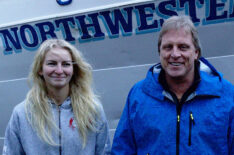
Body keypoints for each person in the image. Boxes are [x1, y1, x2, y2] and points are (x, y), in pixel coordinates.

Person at [111, 15, 234, 155]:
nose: (175, 54)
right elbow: (122, 149)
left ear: (196, 53)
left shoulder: (226, 95)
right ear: (160, 52)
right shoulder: (138, 95)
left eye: (183, 47)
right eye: (168, 47)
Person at [3, 39, 111, 155]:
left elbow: (104, 152)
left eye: (66, 64)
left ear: (73, 70)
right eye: (52, 63)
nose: (59, 71)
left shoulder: (92, 110)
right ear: (40, 69)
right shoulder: (22, 113)